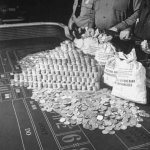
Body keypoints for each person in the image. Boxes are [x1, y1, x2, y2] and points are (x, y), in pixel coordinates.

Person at [69, 0, 142, 40]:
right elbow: (94, 10)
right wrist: (91, 26)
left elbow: (139, 12)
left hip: (118, 38)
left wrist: (120, 26)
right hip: (98, 38)